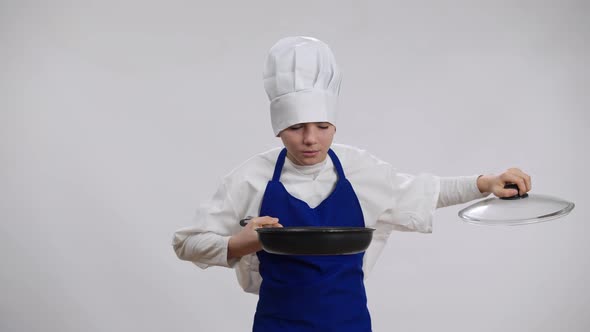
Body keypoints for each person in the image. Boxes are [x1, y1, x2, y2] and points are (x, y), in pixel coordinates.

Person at [172, 36, 532, 332]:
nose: (311, 139)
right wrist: (240, 243)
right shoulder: (249, 178)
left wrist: (486, 183)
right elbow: (186, 244)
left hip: (349, 324)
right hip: (277, 325)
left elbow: (425, 191)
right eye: (297, 128)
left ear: (334, 125)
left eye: (322, 127)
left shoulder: (361, 169)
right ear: (279, 128)